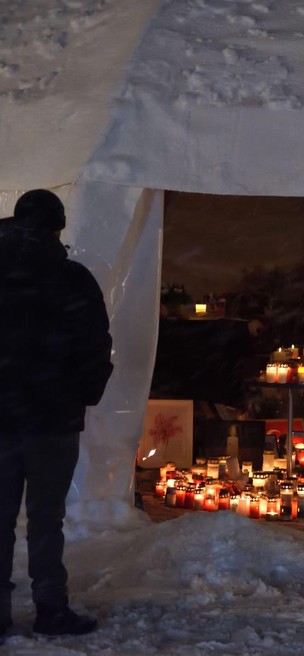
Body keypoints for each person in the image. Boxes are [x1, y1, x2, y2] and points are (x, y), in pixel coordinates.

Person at [0, 190, 114, 638]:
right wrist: (80, 395)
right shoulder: (71, 279)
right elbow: (94, 345)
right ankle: (50, 606)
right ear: (57, 227)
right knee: (47, 518)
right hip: (52, 418)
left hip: (1, 416)